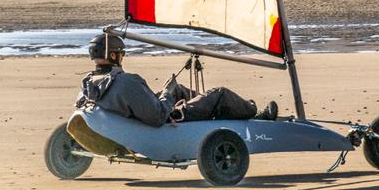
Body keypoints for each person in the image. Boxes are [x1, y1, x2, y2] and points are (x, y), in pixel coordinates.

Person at [77, 33, 278, 126]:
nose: (122, 57)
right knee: (220, 94)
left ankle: (209, 110)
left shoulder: (89, 83)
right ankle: (254, 114)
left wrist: (170, 93)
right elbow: (157, 117)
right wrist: (167, 94)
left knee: (179, 89)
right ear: (114, 56)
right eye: (121, 54)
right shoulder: (127, 82)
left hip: (138, 112)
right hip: (167, 118)